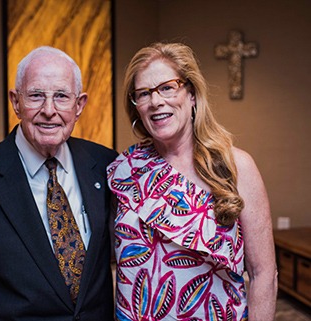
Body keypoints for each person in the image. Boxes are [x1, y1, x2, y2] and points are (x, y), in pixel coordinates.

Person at [0, 46, 117, 320]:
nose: (49, 110)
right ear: (15, 101)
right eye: (35, 96)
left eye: (61, 96)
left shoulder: (106, 165)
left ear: (79, 105)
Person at [107, 42, 277, 321]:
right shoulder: (123, 172)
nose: (156, 101)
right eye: (144, 94)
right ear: (136, 107)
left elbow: (263, 274)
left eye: (167, 87)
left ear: (192, 94)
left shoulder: (236, 167)